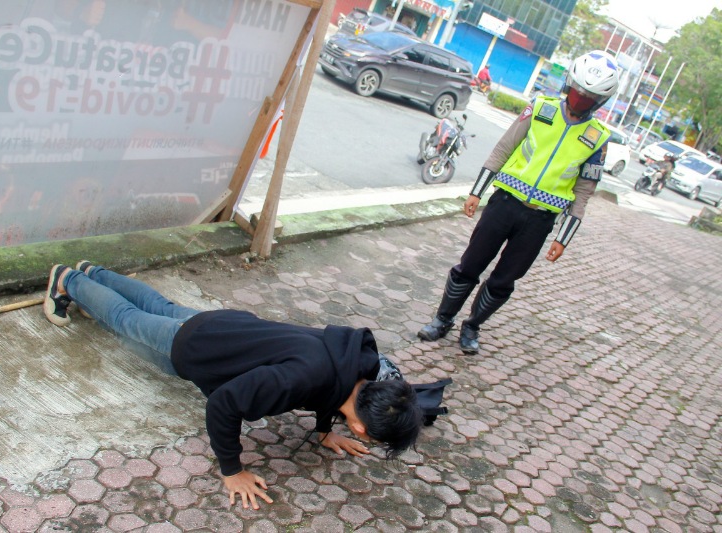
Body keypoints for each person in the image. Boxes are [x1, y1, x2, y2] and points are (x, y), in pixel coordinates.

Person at [43, 261, 423, 509]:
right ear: (360, 426)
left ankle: (93, 271)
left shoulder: (353, 367)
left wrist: (325, 432)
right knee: (126, 319)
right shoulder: (303, 379)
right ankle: (68, 278)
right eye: (373, 438)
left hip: (225, 325)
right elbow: (223, 405)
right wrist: (231, 470)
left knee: (159, 305)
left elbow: (332, 393)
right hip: (198, 345)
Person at [417, 50, 620, 354]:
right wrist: (477, 192)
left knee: (504, 280)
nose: (581, 99)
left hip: (539, 222)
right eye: (578, 91)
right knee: (470, 264)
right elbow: (503, 149)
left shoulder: (598, 137)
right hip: (504, 204)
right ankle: (442, 319)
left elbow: (584, 191)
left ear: (600, 101)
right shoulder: (540, 109)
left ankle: (472, 326)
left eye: (589, 97)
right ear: (569, 84)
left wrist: (563, 238)